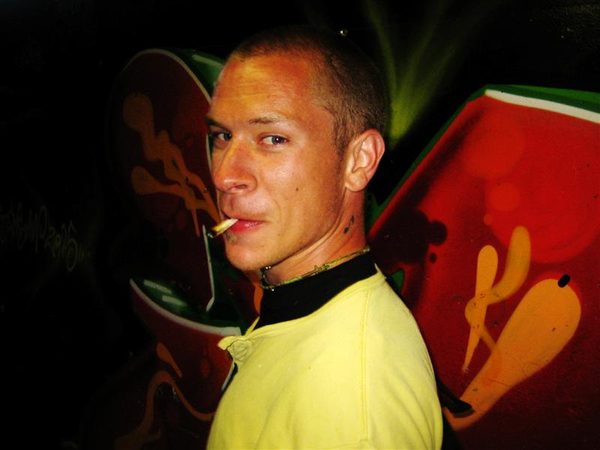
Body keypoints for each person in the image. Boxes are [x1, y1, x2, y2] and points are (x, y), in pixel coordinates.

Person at [205, 24, 443, 449]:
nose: (225, 175)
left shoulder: (354, 406)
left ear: (359, 161)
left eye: (273, 139)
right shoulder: (301, 305)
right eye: (222, 136)